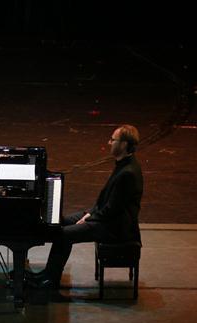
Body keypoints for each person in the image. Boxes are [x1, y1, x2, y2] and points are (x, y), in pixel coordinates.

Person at [29, 124, 143, 289]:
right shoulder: (123, 164)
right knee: (63, 222)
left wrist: (90, 217)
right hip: (107, 217)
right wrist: (90, 214)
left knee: (63, 235)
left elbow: (113, 209)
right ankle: (48, 273)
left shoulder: (128, 173)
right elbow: (108, 202)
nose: (109, 142)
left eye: (113, 139)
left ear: (124, 144)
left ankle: (50, 280)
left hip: (115, 227)